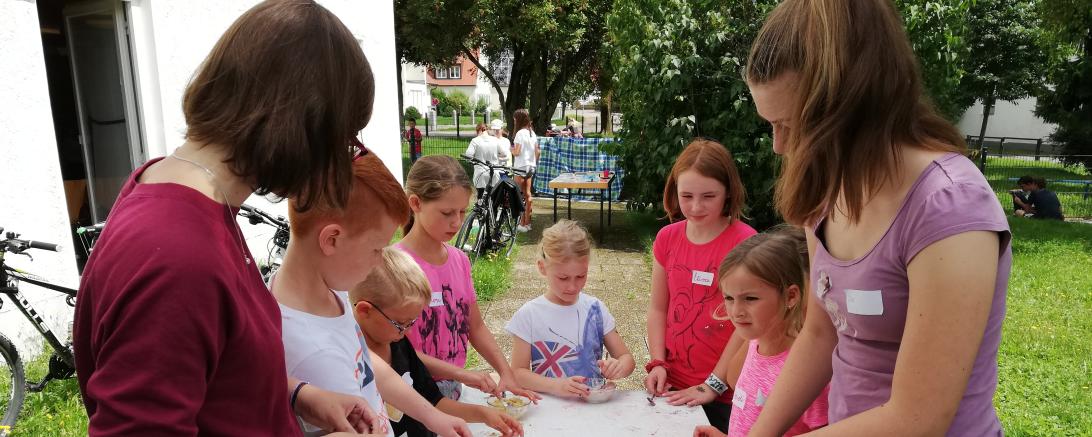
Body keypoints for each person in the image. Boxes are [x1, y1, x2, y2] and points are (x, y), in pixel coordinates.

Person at [74, 1, 381, 434]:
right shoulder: (180, 256)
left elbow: (214, 369)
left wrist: (295, 395)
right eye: (343, 141)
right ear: (305, 126)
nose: (340, 162)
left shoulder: (173, 188)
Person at [743, 0, 1011, 435]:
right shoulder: (827, 191)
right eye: (771, 124)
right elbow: (820, 334)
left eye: (793, 124)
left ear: (854, 106)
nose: (779, 146)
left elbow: (917, 420)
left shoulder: (949, 206)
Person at [273, 153, 471, 437]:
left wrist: (432, 416)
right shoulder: (316, 353)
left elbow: (366, 362)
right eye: (376, 249)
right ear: (332, 239)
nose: (379, 263)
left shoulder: (328, 291)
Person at [396, 155, 540, 403]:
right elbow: (400, 353)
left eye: (462, 211)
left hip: (453, 391)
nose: (457, 222)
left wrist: (505, 372)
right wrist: (463, 374)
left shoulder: (459, 261)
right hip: (409, 397)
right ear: (416, 203)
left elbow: (475, 326)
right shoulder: (395, 266)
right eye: (447, 212)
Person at [351, 247, 524, 437]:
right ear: (365, 311)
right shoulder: (350, 361)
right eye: (400, 323)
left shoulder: (399, 345)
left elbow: (434, 401)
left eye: (412, 322)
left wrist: (484, 414)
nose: (407, 331)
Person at [692, 227, 828, 437]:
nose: (736, 312)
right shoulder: (754, 344)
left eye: (750, 299)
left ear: (791, 296)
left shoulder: (807, 372)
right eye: (729, 298)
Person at [505, 220, 636, 398]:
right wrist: (556, 386)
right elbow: (518, 373)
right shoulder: (529, 314)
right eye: (563, 278)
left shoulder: (595, 309)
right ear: (542, 268)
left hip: (591, 410)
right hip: (548, 409)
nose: (573, 287)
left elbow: (626, 359)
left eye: (581, 276)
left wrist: (618, 367)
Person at [511, 109, 538, 232]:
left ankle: (521, 224)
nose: (514, 121)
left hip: (520, 167)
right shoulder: (532, 133)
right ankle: (528, 223)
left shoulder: (520, 134)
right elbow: (538, 152)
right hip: (531, 167)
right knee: (528, 195)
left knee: (518, 195)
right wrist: (533, 162)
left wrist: (509, 148)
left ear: (519, 119)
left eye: (515, 119)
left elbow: (516, 152)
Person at [465, 123, 499, 199]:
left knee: (481, 196)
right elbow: (505, 154)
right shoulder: (495, 140)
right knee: (493, 196)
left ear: (478, 130)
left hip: (480, 173)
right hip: (494, 172)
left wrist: (473, 160)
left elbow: (468, 155)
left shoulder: (475, 140)